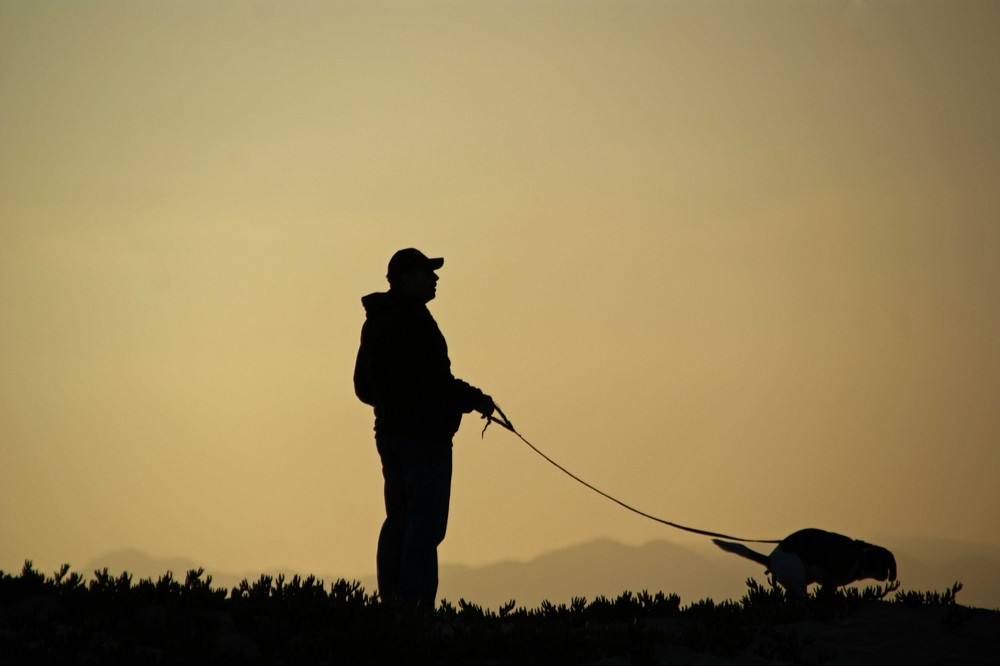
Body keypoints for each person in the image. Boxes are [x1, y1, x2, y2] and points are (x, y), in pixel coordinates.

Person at [353, 248, 494, 608]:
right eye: (425, 273)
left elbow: (363, 388)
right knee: (423, 526)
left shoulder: (376, 322)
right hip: (425, 441)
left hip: (389, 438)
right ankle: (415, 608)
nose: (435, 279)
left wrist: (393, 406)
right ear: (404, 278)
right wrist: (475, 398)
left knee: (398, 521)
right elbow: (435, 384)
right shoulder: (415, 322)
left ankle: (393, 604)